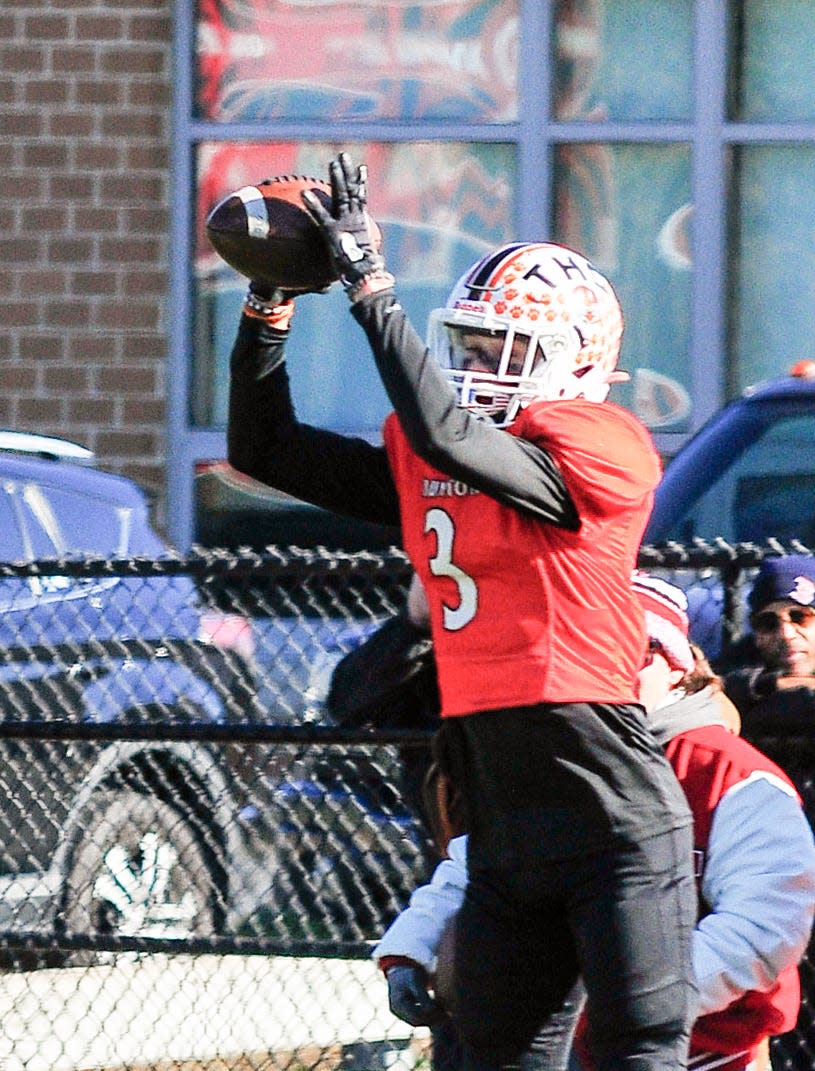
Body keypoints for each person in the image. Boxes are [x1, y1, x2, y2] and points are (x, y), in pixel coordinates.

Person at [227, 151, 697, 1071]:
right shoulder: (433, 447)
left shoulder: (602, 444)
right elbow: (263, 446)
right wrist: (269, 302)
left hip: (612, 816)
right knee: (484, 1058)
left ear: (575, 363)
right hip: (500, 820)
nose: (480, 369)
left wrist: (370, 288)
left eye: (503, 352)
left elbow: (447, 429)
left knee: (640, 1054)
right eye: (470, 346)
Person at [374, 574, 815, 1071]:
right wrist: (413, 949)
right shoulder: (558, 760)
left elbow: (766, 927)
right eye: (592, 650)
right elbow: (480, 868)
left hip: (710, 1054)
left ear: (676, 667)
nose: (611, 669)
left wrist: (628, 996)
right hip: (571, 1044)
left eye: (631, 651)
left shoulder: (733, 775)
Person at [724, 555, 815, 733]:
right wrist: (768, 685)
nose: (786, 634)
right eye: (768, 622)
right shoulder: (739, 671)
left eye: (799, 617)